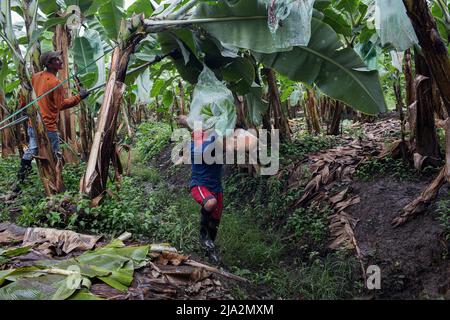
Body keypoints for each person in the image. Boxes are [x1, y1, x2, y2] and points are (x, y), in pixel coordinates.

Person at [15, 51, 89, 187]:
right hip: (48, 127)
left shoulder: (35, 77)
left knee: (32, 151)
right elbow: (61, 104)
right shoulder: (55, 82)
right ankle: (56, 184)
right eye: (56, 60)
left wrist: (25, 110)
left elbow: (25, 96)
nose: (60, 61)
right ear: (48, 64)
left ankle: (20, 181)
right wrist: (79, 97)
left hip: (33, 124)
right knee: (55, 155)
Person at [189, 128, 224, 264]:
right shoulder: (194, 147)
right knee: (210, 203)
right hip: (200, 185)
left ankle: (209, 249)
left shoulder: (217, 144)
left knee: (215, 223)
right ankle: (203, 236)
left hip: (217, 188)